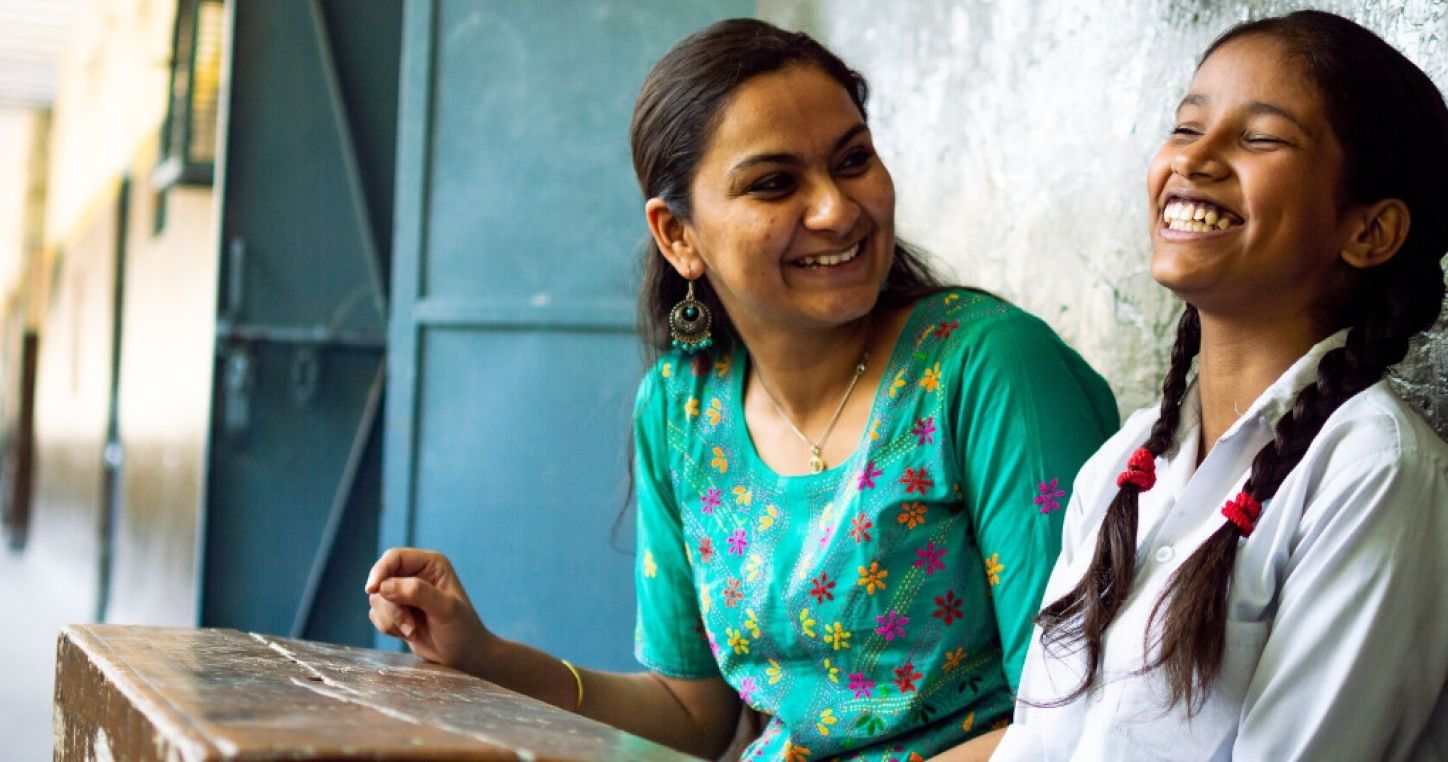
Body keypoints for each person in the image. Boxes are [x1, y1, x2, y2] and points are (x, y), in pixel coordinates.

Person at [366, 19, 1117, 761]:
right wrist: (486, 656)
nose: (836, 209)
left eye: (853, 160)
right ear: (678, 236)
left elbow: (1066, 719)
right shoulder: (679, 410)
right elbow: (690, 713)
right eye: (774, 184)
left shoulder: (987, 370)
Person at [974, 10, 1448, 761]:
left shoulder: (1374, 470)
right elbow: (1039, 741)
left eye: (1260, 137)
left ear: (1368, 232)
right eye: (1187, 128)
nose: (1194, 160)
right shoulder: (1127, 460)